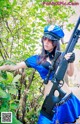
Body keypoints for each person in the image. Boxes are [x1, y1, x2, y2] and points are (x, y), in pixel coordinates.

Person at [0, 25, 80, 124]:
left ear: (55, 43)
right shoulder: (36, 59)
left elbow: (71, 74)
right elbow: (13, 67)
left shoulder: (63, 56)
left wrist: (71, 61)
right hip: (50, 102)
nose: (46, 42)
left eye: (50, 40)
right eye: (44, 39)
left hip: (66, 99)